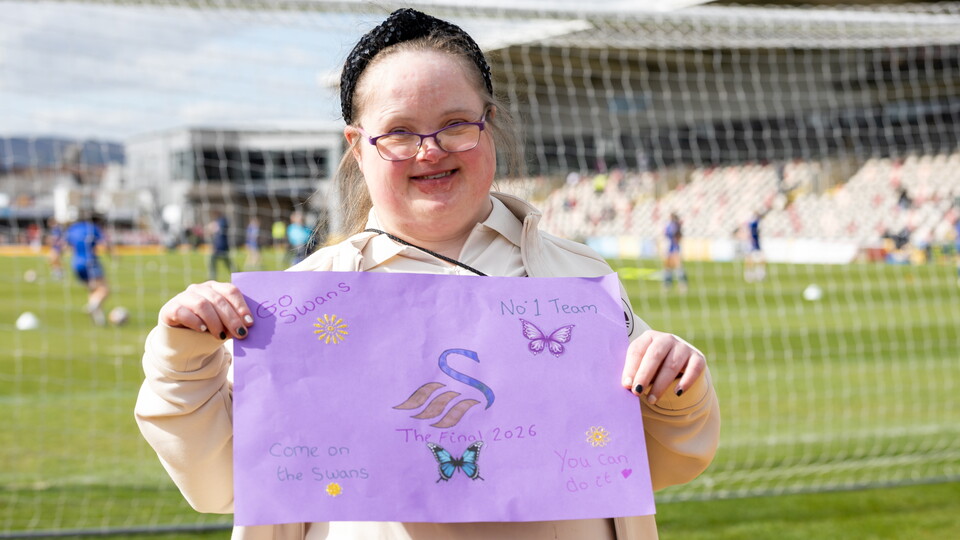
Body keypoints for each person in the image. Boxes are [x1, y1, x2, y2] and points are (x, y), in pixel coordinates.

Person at [135, 9, 719, 539]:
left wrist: (676, 389)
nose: (430, 150)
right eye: (399, 132)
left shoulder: (577, 280)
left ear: (489, 124)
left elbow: (661, 460)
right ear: (357, 146)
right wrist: (185, 357)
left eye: (455, 123)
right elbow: (218, 483)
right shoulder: (304, 303)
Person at [65, 213, 110, 326]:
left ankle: (99, 320)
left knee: (93, 290)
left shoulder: (72, 229)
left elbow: (65, 246)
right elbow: (104, 244)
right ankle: (92, 307)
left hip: (76, 263)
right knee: (103, 290)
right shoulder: (92, 228)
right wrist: (113, 255)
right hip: (90, 262)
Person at [663, 212, 688, 292]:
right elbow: (666, 235)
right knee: (668, 266)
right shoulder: (670, 225)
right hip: (670, 248)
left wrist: (676, 240)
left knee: (678, 266)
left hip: (675, 248)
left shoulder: (675, 225)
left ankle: (683, 284)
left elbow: (678, 236)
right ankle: (668, 284)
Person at [206, 210, 234, 280]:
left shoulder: (222, 221)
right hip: (218, 247)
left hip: (222, 247)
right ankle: (212, 278)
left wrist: (213, 227)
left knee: (227, 263)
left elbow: (219, 228)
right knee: (213, 261)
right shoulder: (218, 221)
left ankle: (237, 273)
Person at [744, 210, 767, 283]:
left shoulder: (754, 223)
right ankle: (750, 273)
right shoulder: (753, 223)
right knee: (751, 258)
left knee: (760, 258)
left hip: (756, 242)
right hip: (752, 243)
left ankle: (759, 272)